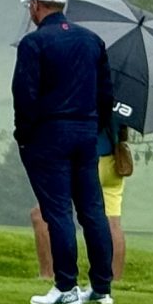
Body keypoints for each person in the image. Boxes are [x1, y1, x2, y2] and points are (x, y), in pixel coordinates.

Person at [13, 0, 114, 304]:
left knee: (57, 212)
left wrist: (24, 134)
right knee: (92, 210)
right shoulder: (92, 41)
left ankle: (66, 286)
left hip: (48, 134)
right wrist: (93, 126)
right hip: (86, 132)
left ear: (37, 6)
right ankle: (101, 287)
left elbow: (25, 96)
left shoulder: (33, 44)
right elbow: (106, 94)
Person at [31, 105, 130, 292]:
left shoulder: (91, 86)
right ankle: (113, 282)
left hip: (88, 159)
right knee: (112, 223)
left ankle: (48, 275)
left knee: (43, 215)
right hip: (114, 161)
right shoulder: (124, 96)